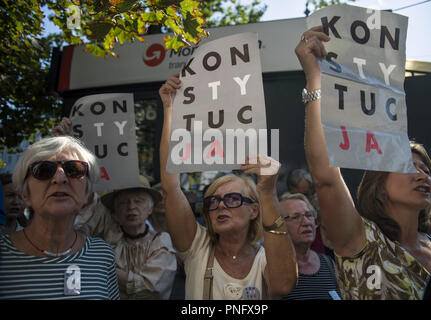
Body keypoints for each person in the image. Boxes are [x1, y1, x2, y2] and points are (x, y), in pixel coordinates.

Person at [295, 26, 431, 299]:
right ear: (378, 183)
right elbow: (326, 178)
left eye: (427, 170)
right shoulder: (360, 240)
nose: (423, 175)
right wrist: (314, 79)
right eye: (409, 165)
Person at [159, 73, 297, 300]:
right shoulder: (196, 247)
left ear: (254, 210)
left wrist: (267, 191)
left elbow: (283, 286)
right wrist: (170, 110)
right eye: (213, 201)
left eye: (232, 199)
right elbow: (170, 187)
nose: (220, 206)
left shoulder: (265, 257)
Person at [53, 117, 178, 300]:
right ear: (115, 211)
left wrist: (103, 266)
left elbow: (152, 288)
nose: (131, 207)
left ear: (150, 208)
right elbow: (83, 212)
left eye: (138, 201)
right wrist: (65, 146)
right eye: (123, 202)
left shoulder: (161, 241)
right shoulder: (108, 232)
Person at [0, 136, 119, 299]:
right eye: (43, 170)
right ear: (25, 194)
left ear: (87, 194)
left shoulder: (102, 254)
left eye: (74, 169)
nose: (59, 178)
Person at [280, 193, 341, 300]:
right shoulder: (271, 268)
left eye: (309, 215)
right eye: (295, 217)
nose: (306, 222)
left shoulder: (328, 264)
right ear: (280, 226)